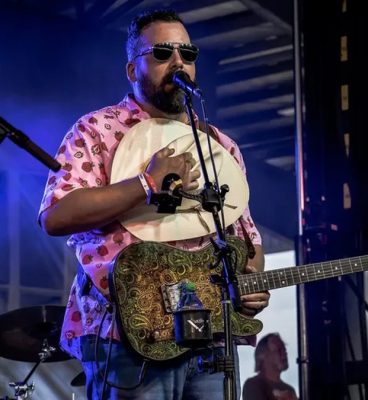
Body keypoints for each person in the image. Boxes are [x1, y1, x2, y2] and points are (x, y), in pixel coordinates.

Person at [39, 8, 270, 400]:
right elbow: (56, 215)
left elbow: (247, 238)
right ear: (132, 69)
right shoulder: (97, 130)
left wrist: (250, 285)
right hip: (129, 334)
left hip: (211, 334)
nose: (178, 62)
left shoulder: (220, 145)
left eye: (187, 53)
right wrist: (145, 184)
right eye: (162, 53)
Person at [242, 333, 298, 400]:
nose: (284, 353)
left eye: (284, 350)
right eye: (279, 350)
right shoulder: (252, 385)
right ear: (262, 355)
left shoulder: (290, 389)